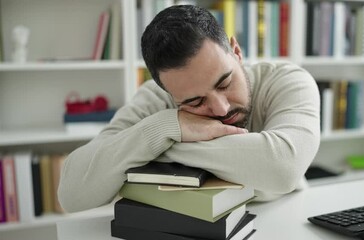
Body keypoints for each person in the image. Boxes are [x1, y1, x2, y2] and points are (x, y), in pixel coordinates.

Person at [58, 5, 320, 213]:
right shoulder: (154, 100)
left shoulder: (288, 81)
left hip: (285, 217)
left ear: (237, 52)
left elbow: (282, 168)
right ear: (169, 94)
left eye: (225, 82)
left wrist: (160, 141)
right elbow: (71, 194)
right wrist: (164, 127)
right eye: (195, 102)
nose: (221, 108)